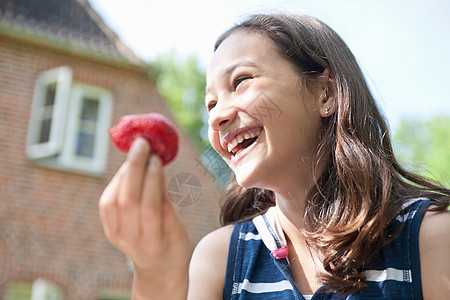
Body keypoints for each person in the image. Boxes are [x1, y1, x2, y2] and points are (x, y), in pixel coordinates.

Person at [99, 14, 450, 299]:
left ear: (325, 93)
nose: (216, 116)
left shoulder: (432, 242)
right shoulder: (220, 261)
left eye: (240, 81)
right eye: (210, 103)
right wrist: (157, 275)